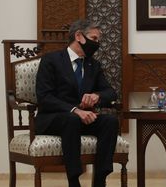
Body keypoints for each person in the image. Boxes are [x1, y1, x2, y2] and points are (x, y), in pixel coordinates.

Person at [35, 19, 119, 187]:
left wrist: (96, 96)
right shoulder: (51, 60)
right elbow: (44, 97)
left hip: (82, 119)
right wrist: (74, 110)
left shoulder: (92, 65)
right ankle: (74, 181)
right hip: (53, 119)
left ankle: (100, 180)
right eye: (94, 39)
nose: (97, 44)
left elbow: (111, 92)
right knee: (71, 119)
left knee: (110, 121)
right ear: (79, 36)